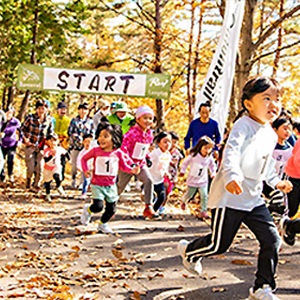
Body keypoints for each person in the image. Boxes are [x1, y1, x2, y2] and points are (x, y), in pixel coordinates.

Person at [177, 76, 293, 300]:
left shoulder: (270, 133)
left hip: (253, 197)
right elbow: (231, 152)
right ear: (249, 104)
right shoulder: (243, 125)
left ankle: (262, 287)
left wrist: (276, 182)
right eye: (266, 98)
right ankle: (189, 250)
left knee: (272, 239)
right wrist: (232, 176)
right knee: (219, 245)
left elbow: (266, 167)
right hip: (230, 196)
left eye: (277, 99)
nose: (274, 104)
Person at [80, 121, 140, 234]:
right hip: (97, 184)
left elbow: (123, 166)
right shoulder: (95, 151)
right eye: (100, 136)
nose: (102, 139)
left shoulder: (118, 153)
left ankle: (103, 224)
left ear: (114, 138)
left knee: (112, 209)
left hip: (111, 185)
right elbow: (83, 159)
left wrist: (132, 170)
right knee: (98, 206)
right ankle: (88, 210)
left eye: (106, 136)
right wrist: (85, 170)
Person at [118, 105, 157, 219]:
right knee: (120, 187)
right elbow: (123, 149)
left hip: (140, 164)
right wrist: (130, 163)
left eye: (150, 118)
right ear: (137, 119)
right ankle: (109, 204)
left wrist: (147, 157)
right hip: (128, 165)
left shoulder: (150, 134)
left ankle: (148, 207)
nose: (148, 121)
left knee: (149, 180)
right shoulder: (131, 133)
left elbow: (144, 149)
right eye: (145, 118)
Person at [179, 136, 217, 220]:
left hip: (203, 180)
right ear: (200, 147)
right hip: (193, 179)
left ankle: (203, 211)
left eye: (209, 149)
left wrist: (213, 173)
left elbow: (212, 166)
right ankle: (184, 200)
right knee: (190, 194)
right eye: (205, 148)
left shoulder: (209, 157)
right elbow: (185, 163)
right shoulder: (194, 156)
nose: (207, 151)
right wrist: (182, 171)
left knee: (204, 195)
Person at [20, 99, 54, 191]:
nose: (41, 111)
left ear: (46, 109)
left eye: (43, 108)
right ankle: (28, 181)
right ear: (36, 109)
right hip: (30, 145)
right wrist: (25, 139)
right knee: (30, 167)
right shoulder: (30, 118)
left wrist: (50, 144)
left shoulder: (49, 120)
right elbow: (22, 129)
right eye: (39, 108)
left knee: (39, 167)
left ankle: (36, 185)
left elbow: (51, 133)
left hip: (41, 147)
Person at [68, 102, 94, 189]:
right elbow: (70, 132)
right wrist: (78, 138)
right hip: (76, 146)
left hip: (87, 147)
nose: (83, 111)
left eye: (85, 109)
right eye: (82, 109)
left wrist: (88, 141)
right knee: (75, 165)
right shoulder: (74, 121)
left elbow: (92, 133)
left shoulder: (90, 121)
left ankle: (83, 183)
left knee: (86, 165)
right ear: (79, 110)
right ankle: (73, 180)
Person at [148, 131, 172, 216]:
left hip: (159, 180)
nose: (167, 144)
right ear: (159, 143)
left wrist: (166, 173)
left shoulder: (168, 155)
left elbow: (165, 166)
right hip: (150, 179)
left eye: (169, 142)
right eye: (165, 142)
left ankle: (153, 212)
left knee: (162, 197)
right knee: (150, 198)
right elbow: (147, 160)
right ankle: (149, 210)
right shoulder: (155, 153)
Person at [43, 133, 67, 201]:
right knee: (47, 182)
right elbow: (46, 160)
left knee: (57, 176)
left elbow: (65, 153)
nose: (53, 142)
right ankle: (47, 194)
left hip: (56, 167)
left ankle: (58, 186)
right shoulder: (46, 150)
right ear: (47, 141)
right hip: (48, 168)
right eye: (51, 140)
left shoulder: (59, 148)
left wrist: (68, 159)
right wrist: (52, 156)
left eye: (54, 140)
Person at [1, 106, 21, 183]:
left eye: (10, 113)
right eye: (7, 113)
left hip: (12, 144)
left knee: (10, 159)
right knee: (1, 161)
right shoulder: (1, 121)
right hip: (2, 144)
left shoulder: (15, 122)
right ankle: (2, 177)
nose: (8, 115)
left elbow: (21, 132)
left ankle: (10, 174)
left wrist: (19, 141)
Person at [163, 131, 184, 204]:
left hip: (171, 174)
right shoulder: (163, 150)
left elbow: (175, 162)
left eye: (175, 142)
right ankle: (157, 203)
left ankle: (162, 205)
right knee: (162, 189)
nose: (173, 144)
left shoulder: (176, 153)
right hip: (162, 173)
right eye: (171, 142)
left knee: (168, 191)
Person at [77, 134, 93, 199]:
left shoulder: (93, 151)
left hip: (92, 169)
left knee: (93, 182)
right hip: (85, 169)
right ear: (83, 142)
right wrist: (79, 168)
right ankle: (84, 193)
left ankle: (94, 193)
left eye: (89, 142)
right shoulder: (82, 152)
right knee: (86, 181)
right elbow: (79, 160)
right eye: (86, 142)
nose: (87, 143)